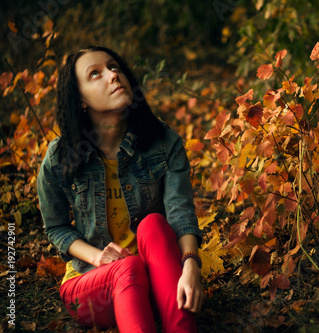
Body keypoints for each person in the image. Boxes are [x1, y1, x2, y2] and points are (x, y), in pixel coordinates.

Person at [37, 46, 203, 333]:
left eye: (114, 67)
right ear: (80, 100)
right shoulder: (60, 156)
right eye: (95, 74)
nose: (113, 75)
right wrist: (97, 257)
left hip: (158, 279)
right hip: (91, 286)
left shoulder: (163, 142)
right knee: (128, 268)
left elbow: (181, 214)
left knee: (152, 224)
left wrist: (191, 266)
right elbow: (57, 227)